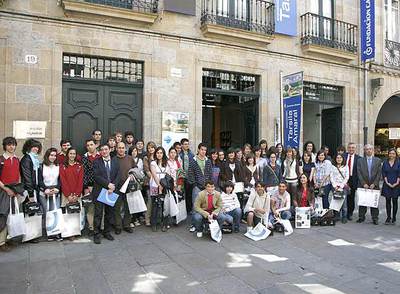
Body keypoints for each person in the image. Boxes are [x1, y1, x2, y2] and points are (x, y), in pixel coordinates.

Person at [92, 144, 120, 244]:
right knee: (98, 214)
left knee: (109, 213)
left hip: (111, 191)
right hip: (100, 191)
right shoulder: (96, 162)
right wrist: (108, 185)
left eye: (106, 149)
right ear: (100, 151)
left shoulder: (115, 161)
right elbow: (96, 176)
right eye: (102, 150)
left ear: (109, 150)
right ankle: (96, 234)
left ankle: (106, 232)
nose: (104, 151)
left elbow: (118, 175)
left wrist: (113, 186)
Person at [0, 137, 20, 251]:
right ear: (5, 146)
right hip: (3, 191)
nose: (11, 147)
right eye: (9, 145)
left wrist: (16, 190)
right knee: (3, 215)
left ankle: (9, 239)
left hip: (14, 192)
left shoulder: (17, 159)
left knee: (12, 215)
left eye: (13, 144)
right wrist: (6, 189)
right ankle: (1, 242)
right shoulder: (1, 159)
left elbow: (18, 176)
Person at [38, 148, 62, 241]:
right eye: (51, 155)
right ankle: (49, 233)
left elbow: (60, 179)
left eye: (55, 155)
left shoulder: (58, 166)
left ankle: (56, 232)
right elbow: (39, 180)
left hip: (55, 191)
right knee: (47, 212)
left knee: (55, 211)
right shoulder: (41, 166)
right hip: (44, 192)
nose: (53, 157)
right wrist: (45, 189)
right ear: (47, 156)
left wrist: (58, 188)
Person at [20, 139, 42, 234]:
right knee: (29, 212)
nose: (36, 148)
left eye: (37, 147)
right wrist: (31, 194)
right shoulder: (26, 159)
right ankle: (29, 235)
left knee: (33, 212)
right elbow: (27, 177)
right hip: (29, 190)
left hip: (34, 189)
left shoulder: (34, 158)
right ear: (28, 147)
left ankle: (33, 234)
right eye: (34, 146)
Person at [357, 144, 382, 225]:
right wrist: (363, 183)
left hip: (374, 185)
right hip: (363, 185)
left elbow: (379, 174)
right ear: (364, 151)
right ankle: (361, 217)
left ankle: (375, 218)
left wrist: (374, 184)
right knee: (363, 202)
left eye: (370, 149)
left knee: (374, 203)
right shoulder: (360, 160)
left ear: (373, 150)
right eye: (367, 149)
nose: (368, 150)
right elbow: (359, 173)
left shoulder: (378, 160)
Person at [114, 142, 136, 234]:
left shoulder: (130, 159)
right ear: (116, 149)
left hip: (128, 187)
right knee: (117, 207)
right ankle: (118, 226)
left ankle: (127, 225)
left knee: (128, 207)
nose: (121, 149)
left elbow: (135, 169)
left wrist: (132, 174)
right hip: (117, 187)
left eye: (123, 148)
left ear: (125, 149)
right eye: (119, 148)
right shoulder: (113, 159)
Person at [81, 139, 101, 235]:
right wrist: (85, 187)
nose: (90, 146)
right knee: (90, 208)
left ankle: (101, 226)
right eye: (88, 145)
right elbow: (83, 173)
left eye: (91, 144)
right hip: (90, 186)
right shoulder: (84, 158)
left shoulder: (101, 156)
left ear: (95, 145)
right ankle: (91, 227)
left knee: (101, 207)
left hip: (101, 185)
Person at [149, 146, 168, 232]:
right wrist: (158, 185)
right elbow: (154, 175)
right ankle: (154, 224)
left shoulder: (166, 163)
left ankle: (164, 224)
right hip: (154, 185)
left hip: (164, 186)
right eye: (157, 153)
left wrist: (163, 186)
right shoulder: (153, 163)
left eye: (161, 153)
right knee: (155, 205)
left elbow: (167, 174)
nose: (159, 154)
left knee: (164, 205)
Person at [381, 148, 399, 224]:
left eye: (393, 153)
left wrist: (397, 182)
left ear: (396, 155)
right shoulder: (385, 162)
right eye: (390, 153)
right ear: (388, 154)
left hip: (397, 184)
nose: (391, 155)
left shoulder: (399, 162)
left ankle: (394, 217)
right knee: (388, 201)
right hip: (387, 184)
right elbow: (383, 172)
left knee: (395, 201)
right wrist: (387, 182)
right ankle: (388, 217)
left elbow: (399, 173)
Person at [330, 154, 350, 223]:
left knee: (344, 203)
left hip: (343, 187)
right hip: (335, 187)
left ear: (342, 159)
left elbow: (347, 177)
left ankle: (344, 217)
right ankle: (337, 216)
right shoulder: (333, 167)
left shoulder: (346, 166)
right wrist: (335, 186)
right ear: (335, 159)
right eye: (337, 158)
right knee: (336, 202)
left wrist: (341, 186)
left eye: (340, 158)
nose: (339, 159)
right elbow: (331, 176)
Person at [345, 142, 361, 220]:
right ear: (347, 148)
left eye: (353, 148)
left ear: (355, 149)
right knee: (343, 196)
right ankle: (343, 212)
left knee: (351, 197)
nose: (351, 149)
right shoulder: (343, 156)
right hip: (344, 179)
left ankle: (350, 213)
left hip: (353, 179)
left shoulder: (359, 158)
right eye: (350, 147)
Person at [180, 138, 195, 214]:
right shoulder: (179, 154)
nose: (187, 145)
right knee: (182, 194)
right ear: (182, 145)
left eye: (188, 144)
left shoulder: (191, 154)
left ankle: (188, 209)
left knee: (189, 194)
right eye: (185, 144)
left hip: (190, 177)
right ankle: (182, 210)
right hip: (182, 177)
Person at [143, 141, 156, 226]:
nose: (150, 149)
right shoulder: (146, 158)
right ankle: (147, 219)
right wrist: (154, 180)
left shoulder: (157, 156)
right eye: (149, 148)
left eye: (152, 147)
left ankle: (155, 218)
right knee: (150, 201)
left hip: (158, 183)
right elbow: (147, 170)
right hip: (150, 183)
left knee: (157, 201)